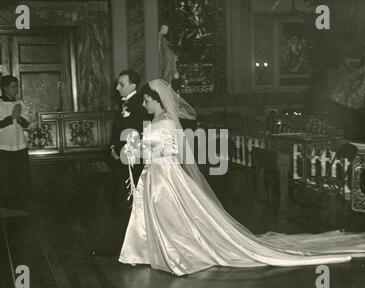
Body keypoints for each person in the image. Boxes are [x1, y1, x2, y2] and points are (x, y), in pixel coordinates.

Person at [118, 79, 365, 276]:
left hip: (164, 173)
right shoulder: (156, 119)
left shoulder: (168, 122)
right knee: (160, 214)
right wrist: (137, 149)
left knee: (171, 214)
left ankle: (178, 253)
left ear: (157, 100)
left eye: (148, 100)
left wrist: (137, 149)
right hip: (155, 172)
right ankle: (154, 251)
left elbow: (169, 150)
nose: (146, 104)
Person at [90, 70, 150, 256]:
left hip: (132, 161)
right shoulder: (127, 104)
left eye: (121, 84)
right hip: (123, 160)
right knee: (120, 201)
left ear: (133, 85)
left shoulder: (139, 105)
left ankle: (126, 245)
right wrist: (113, 148)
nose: (117, 88)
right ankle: (121, 243)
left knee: (126, 201)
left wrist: (122, 151)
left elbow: (140, 133)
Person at [0, 75, 31, 210]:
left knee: (19, 178)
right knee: (2, 180)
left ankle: (19, 207)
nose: (16, 89)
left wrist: (18, 118)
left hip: (18, 145)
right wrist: (12, 117)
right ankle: (3, 208)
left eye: (17, 86)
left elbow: (27, 124)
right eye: (13, 86)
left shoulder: (20, 103)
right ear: (5, 88)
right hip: (1, 147)